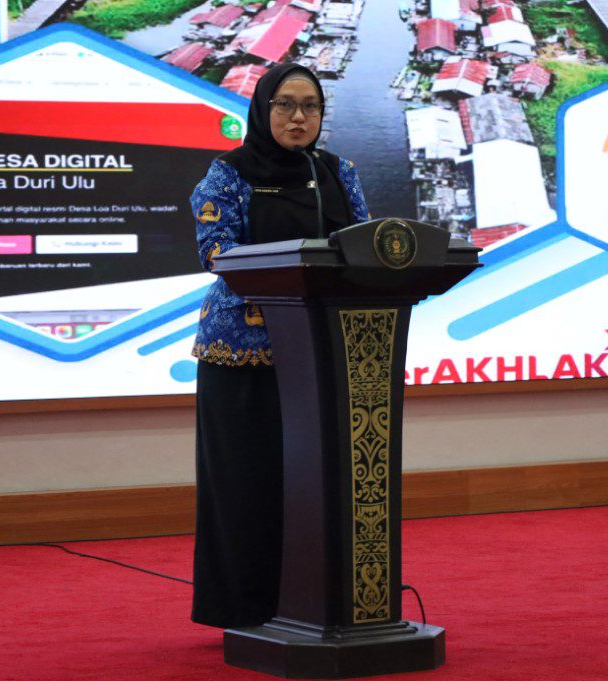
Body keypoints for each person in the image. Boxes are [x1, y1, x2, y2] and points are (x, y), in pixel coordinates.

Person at [188, 63, 370, 628]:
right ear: (262, 110)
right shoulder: (229, 172)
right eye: (285, 105)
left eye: (310, 106)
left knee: (316, 484)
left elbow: (364, 246)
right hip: (244, 353)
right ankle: (244, 606)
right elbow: (216, 252)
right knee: (248, 482)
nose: (298, 117)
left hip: (323, 353)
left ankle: (316, 602)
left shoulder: (336, 171)